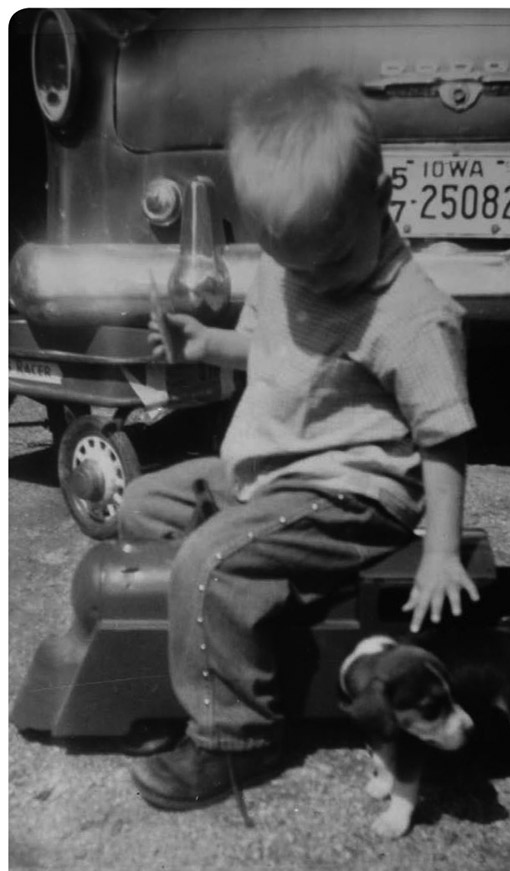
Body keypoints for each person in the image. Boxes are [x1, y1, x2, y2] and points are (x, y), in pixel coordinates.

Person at [121, 68, 479, 812]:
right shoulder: (296, 264)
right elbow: (269, 351)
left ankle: (237, 739)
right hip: (269, 474)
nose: (313, 281)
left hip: (351, 490)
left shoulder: (412, 314)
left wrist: (441, 551)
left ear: (382, 200)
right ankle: (201, 652)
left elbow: (443, 437)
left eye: (334, 260)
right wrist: (203, 343)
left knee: (208, 559)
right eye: (293, 263)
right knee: (144, 505)